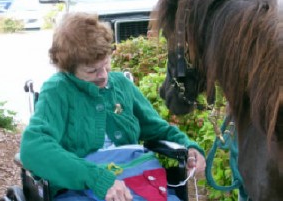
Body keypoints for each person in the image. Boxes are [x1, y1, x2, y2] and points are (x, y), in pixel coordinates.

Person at [20, 12, 206, 201]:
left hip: (137, 181)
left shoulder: (121, 84)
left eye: (106, 64)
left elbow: (158, 129)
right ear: (68, 68)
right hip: (77, 188)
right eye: (92, 70)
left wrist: (189, 147)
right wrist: (97, 178)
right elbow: (33, 147)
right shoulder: (57, 90)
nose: (103, 75)